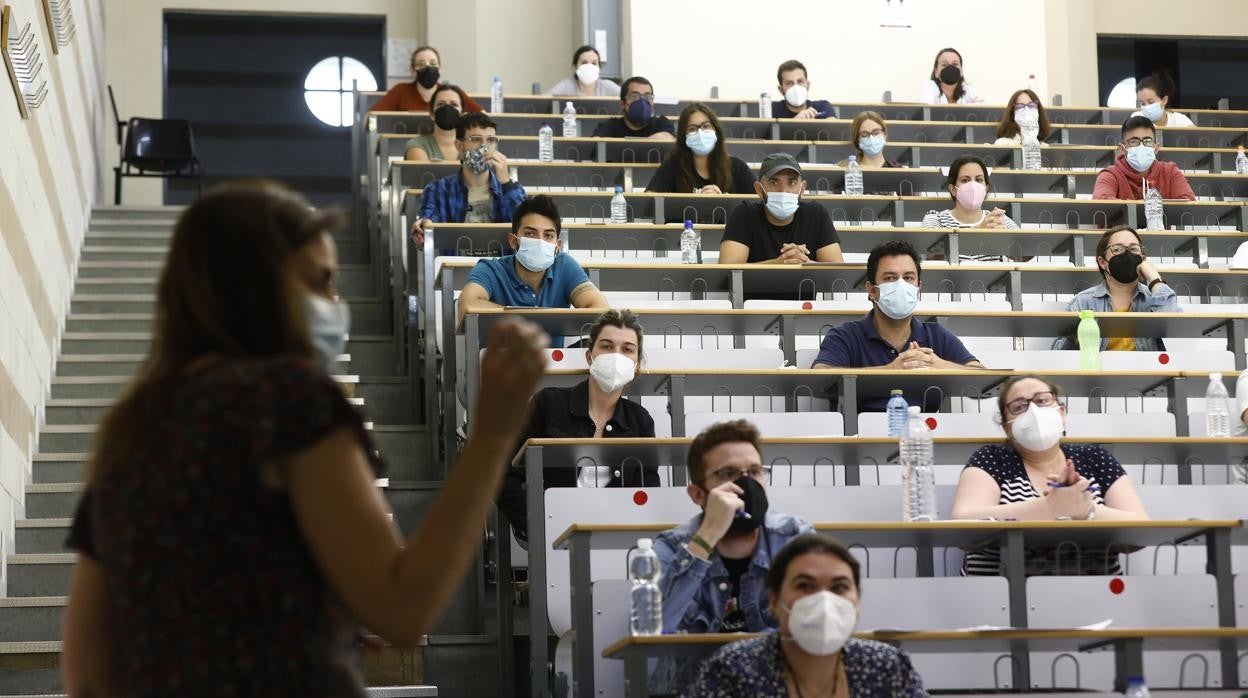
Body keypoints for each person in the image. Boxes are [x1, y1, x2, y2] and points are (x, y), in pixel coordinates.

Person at [61, 182, 549, 696]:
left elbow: (86, 674)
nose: (334, 302)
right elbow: (403, 609)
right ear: (256, 288)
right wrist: (492, 435)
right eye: (319, 282)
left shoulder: (136, 425)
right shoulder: (288, 401)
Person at [651, 420, 815, 694]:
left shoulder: (794, 537)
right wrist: (708, 535)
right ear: (698, 494)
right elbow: (652, 633)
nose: (746, 483)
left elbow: (818, 628)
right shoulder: (670, 548)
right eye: (728, 473)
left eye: (755, 471)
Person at [951, 375, 1149, 575]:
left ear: (1061, 412)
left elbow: (1140, 534)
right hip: (1002, 591)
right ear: (1007, 426)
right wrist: (1050, 507)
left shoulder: (1094, 458)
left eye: (1042, 400)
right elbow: (963, 527)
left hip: (1095, 591)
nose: (1033, 411)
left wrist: (1087, 511)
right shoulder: (991, 459)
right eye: (1019, 407)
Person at [688, 534, 927, 697]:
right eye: (805, 586)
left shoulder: (887, 667)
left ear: (858, 601)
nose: (824, 600)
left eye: (839, 587)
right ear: (774, 601)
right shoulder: (733, 670)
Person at [497, 309, 658, 545]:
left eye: (627, 349)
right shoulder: (548, 403)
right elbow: (501, 474)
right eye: (606, 346)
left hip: (616, 539)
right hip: (551, 535)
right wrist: (537, 525)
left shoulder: (640, 420)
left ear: (637, 364)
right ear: (590, 356)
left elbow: (648, 492)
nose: (616, 356)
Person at [812, 240, 983, 411]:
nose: (901, 285)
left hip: (921, 427)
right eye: (890, 278)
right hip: (859, 427)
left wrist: (939, 365)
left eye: (908, 278)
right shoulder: (845, 335)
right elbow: (820, 382)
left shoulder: (936, 335)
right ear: (871, 290)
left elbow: (982, 383)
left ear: (919, 288)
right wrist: (890, 372)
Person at [456, 194, 608, 326]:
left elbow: (601, 309)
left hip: (551, 353)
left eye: (548, 235)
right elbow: (467, 305)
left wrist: (516, 318)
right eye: (530, 234)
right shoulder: (490, 269)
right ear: (513, 241)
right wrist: (532, 320)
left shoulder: (564, 266)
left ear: (557, 245)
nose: (540, 241)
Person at [1051, 225, 1179, 351]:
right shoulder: (1082, 302)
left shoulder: (1155, 298)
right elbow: (1059, 354)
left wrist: (1155, 279)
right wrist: (1076, 335)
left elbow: (1176, 336)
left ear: (1142, 258)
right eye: (1117, 249)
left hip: (1145, 365)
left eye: (1134, 249)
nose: (1127, 254)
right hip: (1098, 366)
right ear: (1102, 262)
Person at [410, 112, 526, 243]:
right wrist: (423, 226)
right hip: (456, 256)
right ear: (459, 146)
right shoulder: (437, 190)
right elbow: (428, 222)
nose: (485, 147)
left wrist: (506, 183)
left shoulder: (513, 189)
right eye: (476, 139)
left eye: (491, 140)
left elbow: (524, 232)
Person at [719, 153, 843, 265]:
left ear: (802, 188)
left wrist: (804, 262)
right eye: (774, 183)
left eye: (792, 183)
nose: (784, 191)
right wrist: (777, 263)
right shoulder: (744, 214)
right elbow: (727, 269)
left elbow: (836, 270)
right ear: (759, 189)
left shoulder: (816, 214)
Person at [645, 103, 754, 196]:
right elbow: (648, 200)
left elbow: (759, 201)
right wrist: (696, 201)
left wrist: (725, 200)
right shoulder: (672, 166)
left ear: (716, 131)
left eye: (706, 126)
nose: (700, 133)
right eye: (692, 129)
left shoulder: (737, 167)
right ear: (684, 136)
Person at [1093, 116, 1195, 201]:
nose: (1141, 146)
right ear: (1122, 149)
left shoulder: (1170, 172)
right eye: (1134, 142)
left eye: (1147, 141)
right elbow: (1102, 203)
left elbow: (1189, 202)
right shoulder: (1110, 175)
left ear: (1156, 148)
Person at [370, 45, 483, 113]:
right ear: (412, 70)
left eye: (433, 63)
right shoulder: (400, 91)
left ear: (440, 68)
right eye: (421, 64)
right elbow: (371, 117)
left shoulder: (452, 92)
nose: (428, 67)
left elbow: (482, 117)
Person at [921, 155, 1020, 229]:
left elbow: (1023, 249)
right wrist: (979, 231)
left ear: (986, 188)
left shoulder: (998, 219)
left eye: (979, 180)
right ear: (953, 189)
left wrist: (1005, 237)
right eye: (965, 180)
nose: (973, 186)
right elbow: (933, 249)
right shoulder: (935, 218)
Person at [590, 76, 676, 140]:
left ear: (652, 102)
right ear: (623, 104)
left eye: (647, 97)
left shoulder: (661, 123)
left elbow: (669, 138)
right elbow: (595, 142)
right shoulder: (611, 125)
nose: (642, 102)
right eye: (634, 96)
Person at [404, 84, 462, 161]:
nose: (447, 108)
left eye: (454, 104)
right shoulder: (417, 145)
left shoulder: (471, 146)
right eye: (440, 104)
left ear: (462, 114)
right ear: (431, 114)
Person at [772, 59, 836, 120]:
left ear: (808, 85)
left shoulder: (822, 106)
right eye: (789, 83)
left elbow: (834, 125)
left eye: (800, 81)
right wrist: (795, 122)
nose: (796, 88)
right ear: (781, 90)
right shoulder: (771, 110)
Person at [549, 44, 620, 97]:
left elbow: (626, 99)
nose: (589, 67)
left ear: (599, 67)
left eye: (594, 63)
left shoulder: (608, 87)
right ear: (575, 67)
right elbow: (545, 101)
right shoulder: (566, 86)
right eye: (584, 63)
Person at [838, 110, 903, 168]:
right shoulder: (847, 169)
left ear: (884, 134)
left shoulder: (897, 170)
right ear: (857, 140)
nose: (871, 139)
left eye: (876, 133)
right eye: (864, 135)